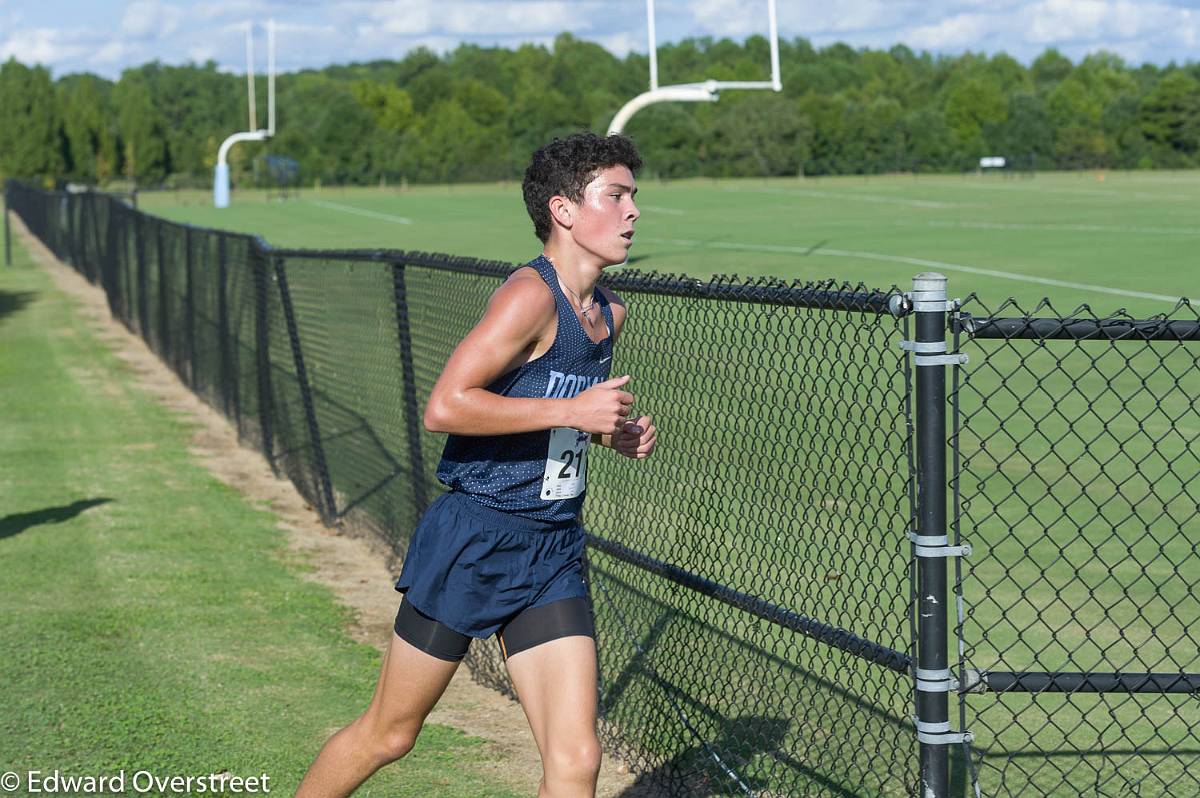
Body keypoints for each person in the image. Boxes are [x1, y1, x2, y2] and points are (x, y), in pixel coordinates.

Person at [295, 132, 657, 798]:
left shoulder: (609, 313)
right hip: (475, 539)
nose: (633, 211)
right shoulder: (530, 297)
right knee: (391, 734)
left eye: (634, 196)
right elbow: (446, 405)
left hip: (550, 549)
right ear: (564, 211)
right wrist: (575, 413)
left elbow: (551, 414)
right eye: (617, 196)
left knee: (576, 761)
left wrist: (610, 436)